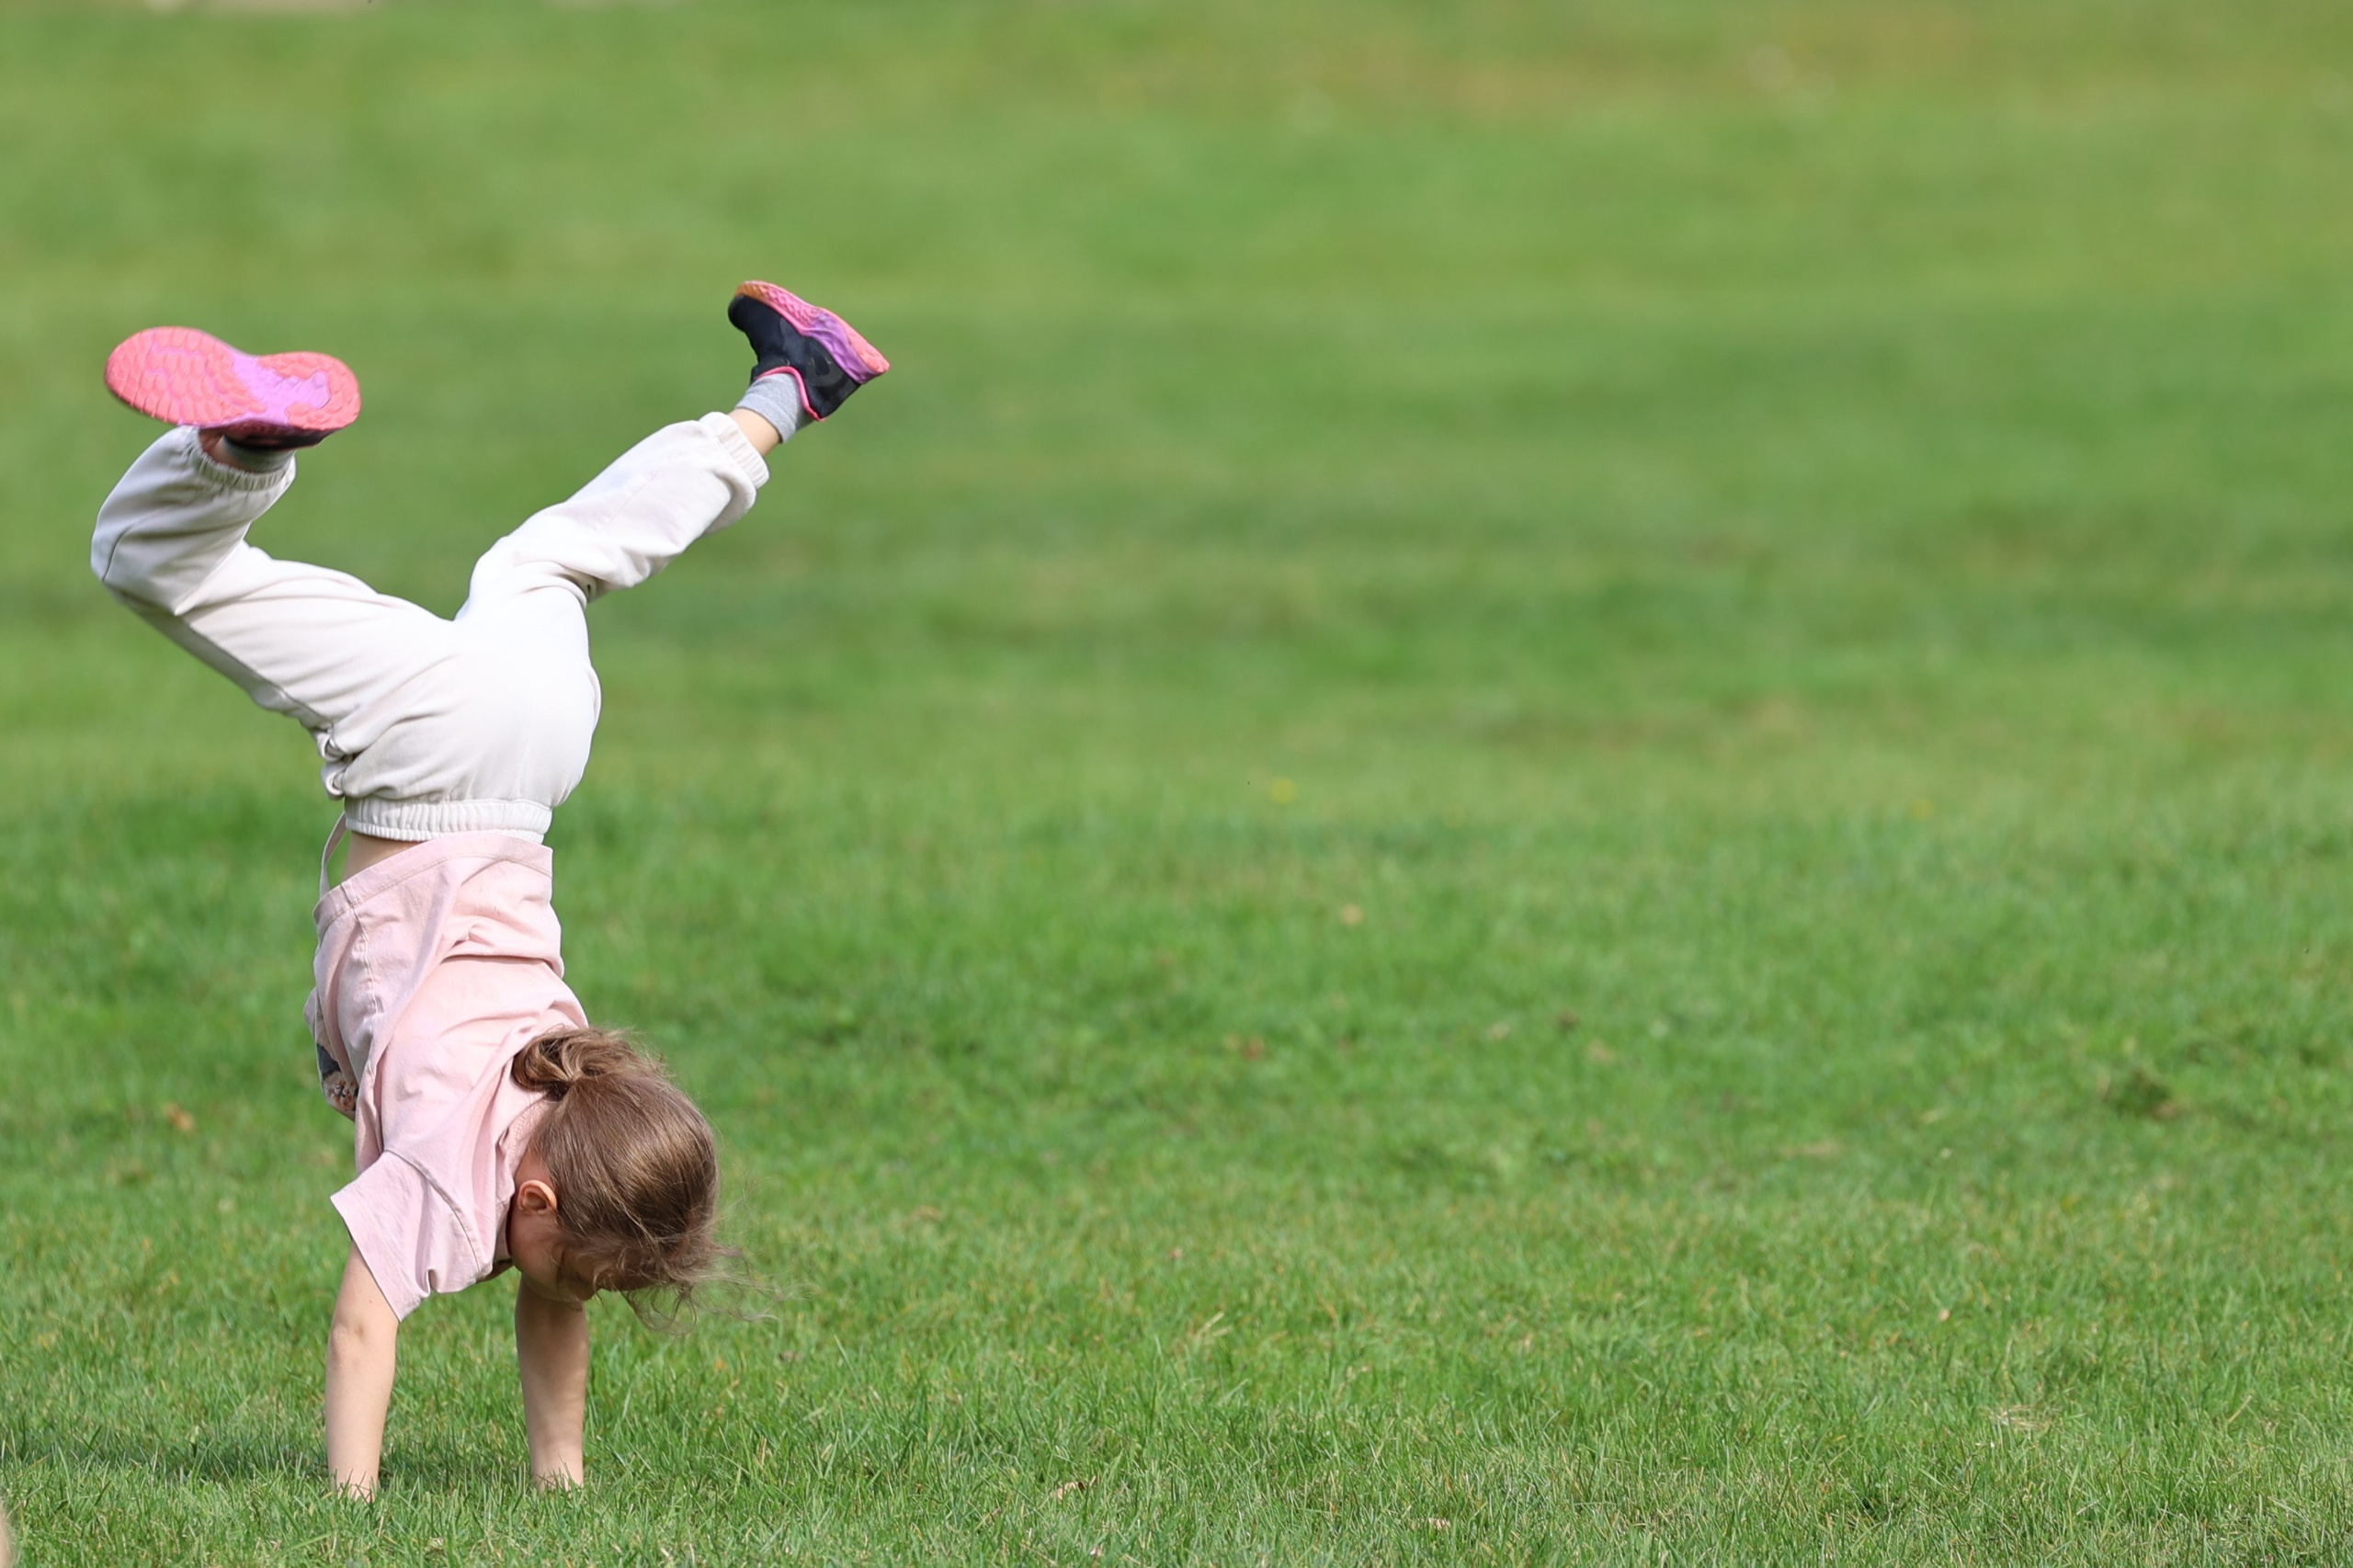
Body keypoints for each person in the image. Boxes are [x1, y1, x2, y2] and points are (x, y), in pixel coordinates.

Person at [89, 282, 890, 1498]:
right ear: (536, 1193)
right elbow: (366, 1325)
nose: (570, 1294)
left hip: (535, 749)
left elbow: (554, 1287)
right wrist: (348, 1509)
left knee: (557, 557)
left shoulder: (574, 1081)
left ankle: (785, 392)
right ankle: (243, 450)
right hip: (429, 761)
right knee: (147, 564)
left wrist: (558, 1476)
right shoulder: (457, 1178)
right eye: (578, 1264)